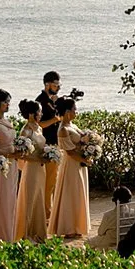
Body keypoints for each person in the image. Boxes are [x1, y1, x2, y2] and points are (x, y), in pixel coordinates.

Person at [51, 98, 90, 239]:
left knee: (78, 193)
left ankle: (77, 225)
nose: (76, 112)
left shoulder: (72, 125)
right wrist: (85, 160)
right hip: (71, 165)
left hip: (79, 163)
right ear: (67, 112)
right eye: (74, 109)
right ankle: (69, 227)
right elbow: (70, 152)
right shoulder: (63, 129)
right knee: (71, 194)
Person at [15, 98, 53, 240]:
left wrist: (48, 154)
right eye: (39, 112)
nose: (41, 114)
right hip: (31, 169)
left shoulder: (39, 128)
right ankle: (27, 234)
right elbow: (22, 155)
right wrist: (38, 159)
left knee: (39, 198)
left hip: (41, 168)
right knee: (30, 199)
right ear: (31, 114)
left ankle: (38, 232)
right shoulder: (25, 131)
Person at [0, 89, 21, 243]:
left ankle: (8, 234)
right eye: (5, 102)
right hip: (1, 165)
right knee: (1, 198)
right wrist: (9, 155)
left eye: (9, 102)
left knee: (10, 199)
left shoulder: (8, 122)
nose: (8, 104)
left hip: (12, 164)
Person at [35, 71, 65, 145]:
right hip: (46, 141)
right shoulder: (40, 101)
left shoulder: (53, 99)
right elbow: (37, 124)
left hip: (57, 139)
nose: (58, 88)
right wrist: (55, 119)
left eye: (59, 85)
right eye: (55, 85)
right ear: (47, 84)